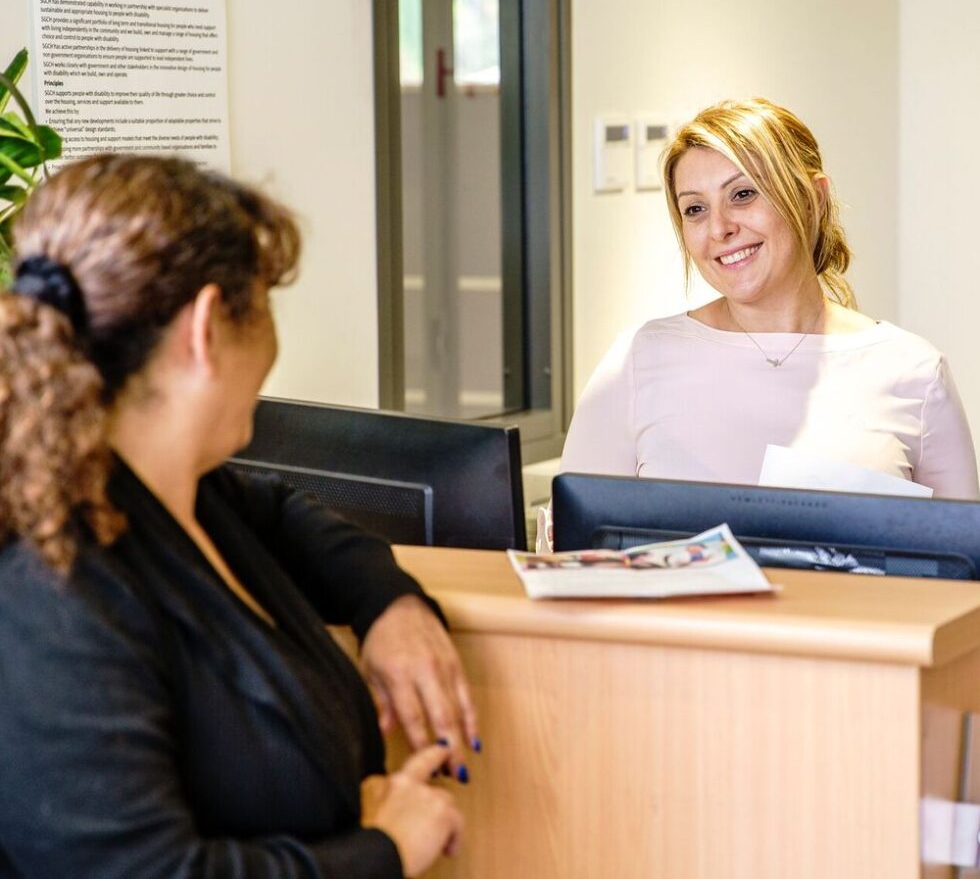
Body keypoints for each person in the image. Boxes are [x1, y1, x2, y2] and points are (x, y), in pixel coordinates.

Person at [0, 155, 476, 878]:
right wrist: (384, 850)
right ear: (205, 330)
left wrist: (389, 601)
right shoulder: (54, 590)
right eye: (265, 306)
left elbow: (286, 515)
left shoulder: (184, 497)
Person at [560, 98, 979, 500]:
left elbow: (962, 563)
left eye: (742, 194)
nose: (719, 228)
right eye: (695, 209)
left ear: (814, 199)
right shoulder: (638, 361)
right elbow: (571, 553)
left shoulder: (914, 372)